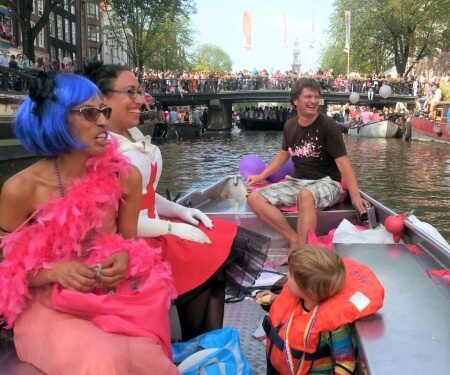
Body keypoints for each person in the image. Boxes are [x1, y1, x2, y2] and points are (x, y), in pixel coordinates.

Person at [0, 72, 179, 374]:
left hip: (111, 296)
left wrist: (123, 256)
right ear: (57, 118)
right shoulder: (20, 190)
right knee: (101, 361)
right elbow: (7, 265)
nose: (104, 122)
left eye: (104, 111)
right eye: (89, 113)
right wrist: (54, 270)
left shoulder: (126, 177)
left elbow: (129, 241)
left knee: (153, 365)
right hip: (50, 304)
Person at [84, 61, 258, 341]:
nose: (140, 100)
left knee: (217, 257)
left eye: (139, 92)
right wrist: (174, 228)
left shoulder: (134, 137)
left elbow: (147, 194)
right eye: (130, 92)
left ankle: (209, 350)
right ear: (102, 99)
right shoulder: (103, 150)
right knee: (203, 263)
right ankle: (193, 345)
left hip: (153, 225)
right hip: (134, 240)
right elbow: (120, 223)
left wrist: (179, 210)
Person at [247, 77, 369, 265]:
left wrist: (354, 196)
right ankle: (293, 239)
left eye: (316, 97)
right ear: (296, 100)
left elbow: (344, 164)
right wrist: (261, 176)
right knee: (254, 198)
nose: (313, 101)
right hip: (298, 182)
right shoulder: (290, 125)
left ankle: (302, 254)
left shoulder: (328, 126)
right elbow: (283, 155)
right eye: (308, 96)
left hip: (328, 182)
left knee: (305, 195)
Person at [256, 245, 384, 375]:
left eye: (291, 275)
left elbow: (346, 362)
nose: (287, 275)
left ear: (308, 291)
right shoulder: (297, 298)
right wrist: (273, 299)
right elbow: (287, 311)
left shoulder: (333, 326)